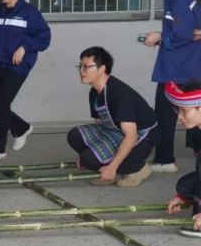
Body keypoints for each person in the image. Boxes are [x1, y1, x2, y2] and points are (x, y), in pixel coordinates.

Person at [142, 0, 201, 173]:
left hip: (178, 66)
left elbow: (183, 33)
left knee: (165, 113)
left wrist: (159, 38)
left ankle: (165, 159)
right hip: (187, 64)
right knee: (192, 112)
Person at [67, 47, 157, 187]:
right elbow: (100, 123)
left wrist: (110, 165)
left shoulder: (119, 94)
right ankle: (108, 168)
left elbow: (131, 136)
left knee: (89, 159)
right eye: (80, 66)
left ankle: (136, 169)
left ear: (102, 69)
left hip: (141, 135)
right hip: (114, 131)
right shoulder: (94, 92)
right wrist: (88, 151)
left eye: (86, 66)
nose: (81, 71)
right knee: (74, 136)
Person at [0, 0, 51, 158]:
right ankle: (21, 128)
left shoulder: (29, 13)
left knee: (3, 102)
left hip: (18, 66)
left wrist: (25, 47)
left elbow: (44, 37)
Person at [165, 81, 201, 237]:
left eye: (185, 111)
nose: (180, 117)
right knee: (185, 186)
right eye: (178, 110)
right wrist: (183, 197)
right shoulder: (196, 131)